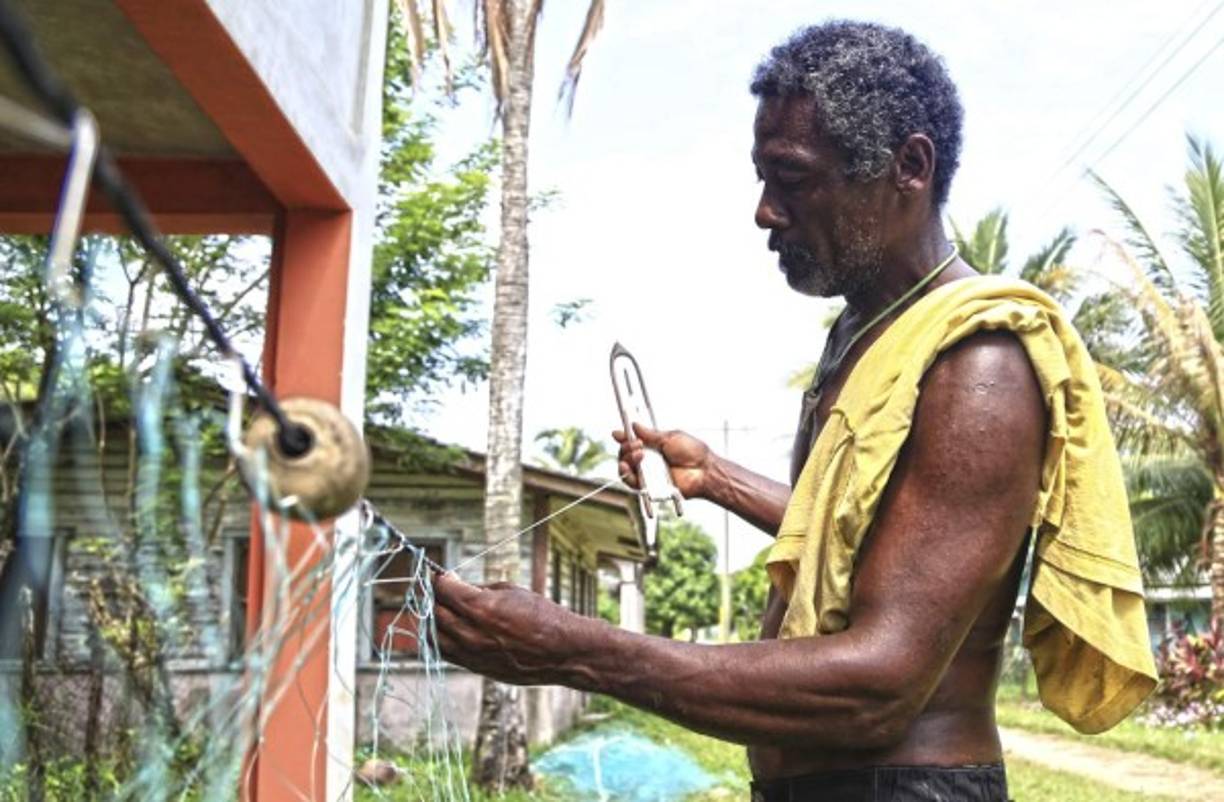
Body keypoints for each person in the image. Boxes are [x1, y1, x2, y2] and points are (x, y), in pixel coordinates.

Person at [434, 20, 1155, 802]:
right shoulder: (865, 335)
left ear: (908, 166)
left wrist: (579, 650)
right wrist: (714, 478)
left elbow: (881, 681)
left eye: (794, 179)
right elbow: (868, 544)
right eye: (762, 178)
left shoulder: (978, 367)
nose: (765, 212)